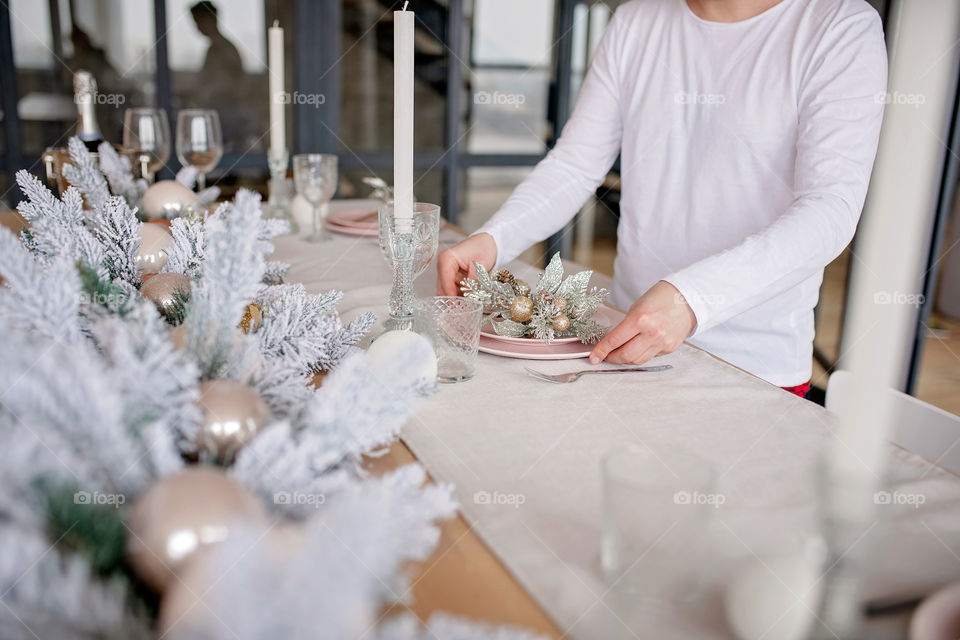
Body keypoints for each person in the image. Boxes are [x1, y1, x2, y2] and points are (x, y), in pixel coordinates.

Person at [436, 0, 887, 396]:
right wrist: (493, 240)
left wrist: (691, 300)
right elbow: (575, 165)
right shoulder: (636, 21)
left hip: (753, 366)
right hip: (623, 343)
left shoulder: (838, 25)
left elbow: (830, 208)